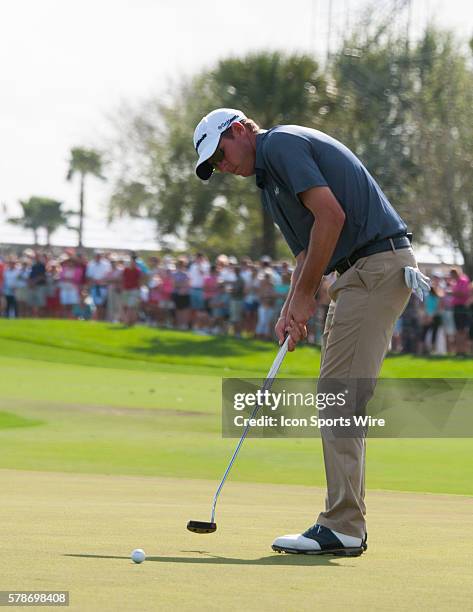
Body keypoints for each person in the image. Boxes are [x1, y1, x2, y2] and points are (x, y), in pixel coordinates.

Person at [193, 107, 420, 556]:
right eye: (214, 166)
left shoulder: (280, 145)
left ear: (238, 131)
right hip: (355, 276)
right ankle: (345, 521)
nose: (222, 167)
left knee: (340, 395)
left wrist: (306, 296)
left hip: (375, 267)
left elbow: (330, 217)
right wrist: (291, 305)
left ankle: (343, 526)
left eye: (220, 155)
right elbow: (305, 253)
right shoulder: (269, 182)